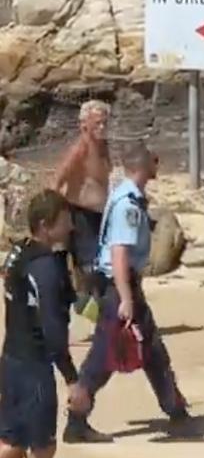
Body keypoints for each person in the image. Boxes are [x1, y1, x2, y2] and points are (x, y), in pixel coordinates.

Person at [65, 142, 191, 444]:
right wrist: (126, 299)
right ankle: (76, 421)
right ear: (143, 166)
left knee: (151, 350)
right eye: (155, 160)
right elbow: (119, 253)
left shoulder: (124, 196)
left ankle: (175, 408)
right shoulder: (128, 205)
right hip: (119, 286)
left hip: (120, 285)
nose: (158, 165)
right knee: (102, 359)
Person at [0, 191, 91, 458]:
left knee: (13, 446)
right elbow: (53, 331)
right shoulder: (46, 267)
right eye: (65, 221)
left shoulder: (19, 254)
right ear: (44, 225)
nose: (71, 227)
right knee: (42, 447)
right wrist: (72, 379)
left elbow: (49, 300)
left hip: (10, 361)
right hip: (33, 372)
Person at [48, 99, 112, 320]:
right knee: (91, 267)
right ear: (84, 125)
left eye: (105, 123)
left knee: (103, 266)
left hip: (100, 216)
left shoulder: (103, 146)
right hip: (80, 214)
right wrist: (53, 215)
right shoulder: (80, 149)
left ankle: (97, 311)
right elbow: (57, 180)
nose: (102, 128)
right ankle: (84, 306)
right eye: (98, 124)